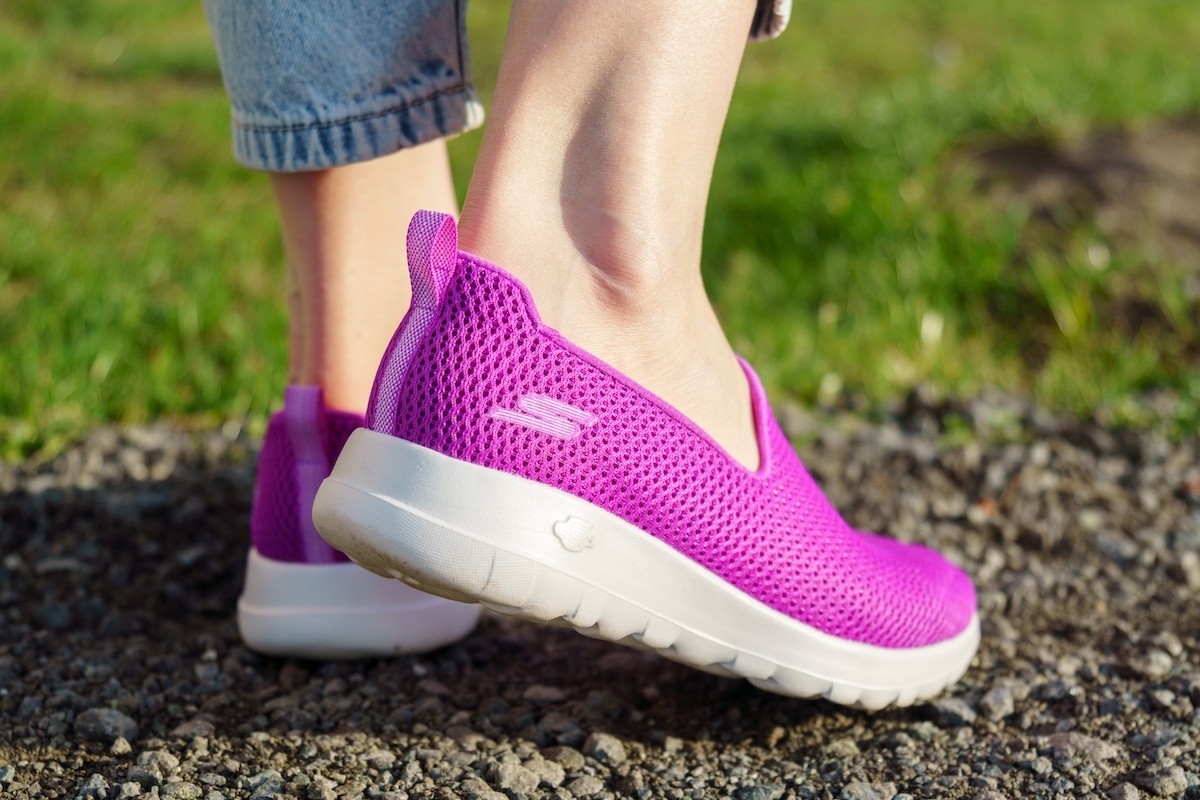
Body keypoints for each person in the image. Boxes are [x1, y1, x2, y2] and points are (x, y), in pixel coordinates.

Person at [206, 0, 978, 708]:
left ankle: (356, 402)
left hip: (416, 394)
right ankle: (601, 279)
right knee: (592, 251)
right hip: (540, 361)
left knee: (375, 336)